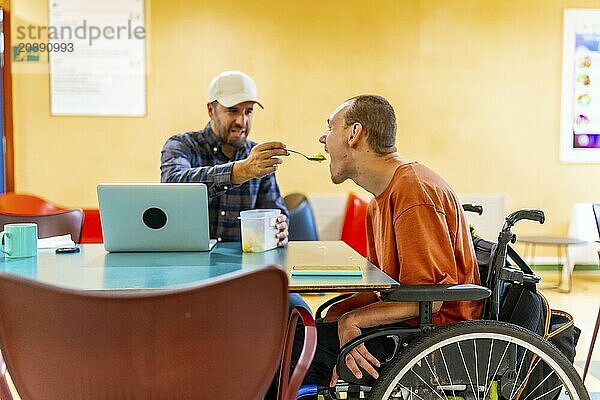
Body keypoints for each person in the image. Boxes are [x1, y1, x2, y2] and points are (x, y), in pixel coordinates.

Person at [295, 95, 482, 394]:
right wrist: (337, 318)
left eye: (330, 128)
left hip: (431, 337)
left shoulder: (413, 190)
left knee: (295, 353)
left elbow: (431, 299)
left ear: (354, 134)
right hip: (407, 324)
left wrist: (351, 321)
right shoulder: (380, 200)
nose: (323, 138)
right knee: (302, 336)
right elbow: (381, 285)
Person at [160, 70, 289, 245]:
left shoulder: (257, 157)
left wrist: (279, 227)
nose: (242, 121)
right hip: (187, 263)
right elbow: (172, 187)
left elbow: (273, 210)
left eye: (248, 111)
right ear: (211, 110)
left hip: (244, 265)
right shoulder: (182, 145)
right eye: (232, 110)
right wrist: (240, 171)